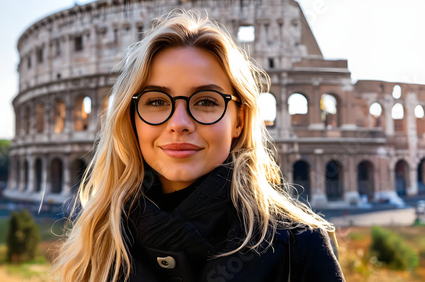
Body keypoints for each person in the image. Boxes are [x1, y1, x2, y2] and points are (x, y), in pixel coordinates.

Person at [52, 9, 345, 282]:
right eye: (156, 101)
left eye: (206, 101)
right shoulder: (96, 244)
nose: (179, 123)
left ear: (239, 120)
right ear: (131, 119)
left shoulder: (300, 245)